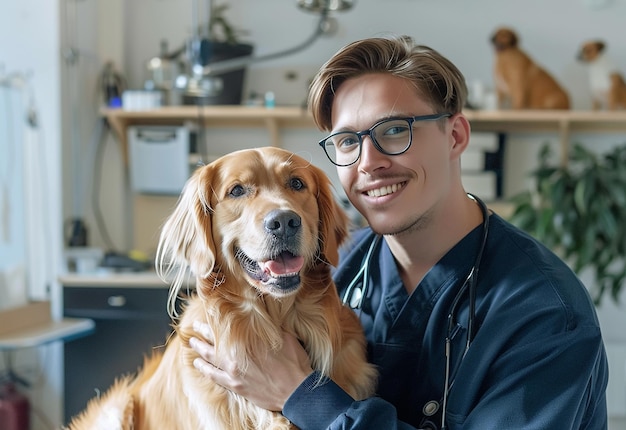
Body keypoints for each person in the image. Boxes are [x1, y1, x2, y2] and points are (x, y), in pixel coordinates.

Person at [189, 35, 608, 429]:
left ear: (456, 136)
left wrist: (303, 395)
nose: (368, 162)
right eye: (348, 141)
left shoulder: (545, 315)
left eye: (394, 131)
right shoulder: (335, 269)